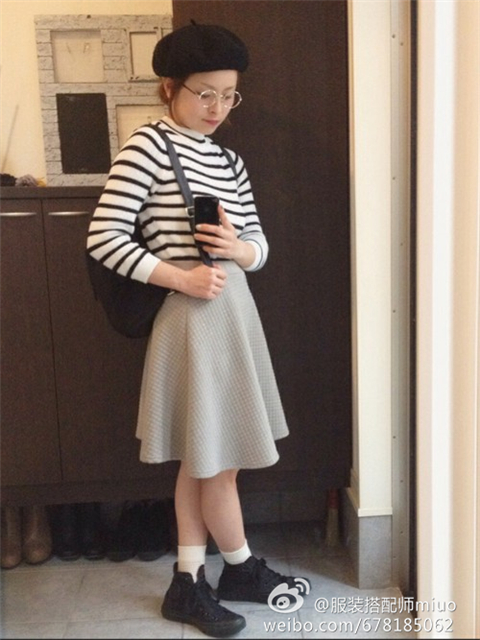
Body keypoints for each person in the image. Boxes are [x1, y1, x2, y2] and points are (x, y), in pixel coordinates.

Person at [87, 22, 308, 637]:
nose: (217, 108)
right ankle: (236, 567)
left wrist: (239, 249)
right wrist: (179, 278)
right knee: (217, 462)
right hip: (191, 317)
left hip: (233, 311)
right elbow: (104, 237)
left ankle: (190, 579)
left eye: (229, 95)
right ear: (170, 88)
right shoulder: (148, 147)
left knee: (204, 458)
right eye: (204, 93)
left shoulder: (230, 160)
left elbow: (259, 245)